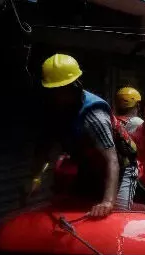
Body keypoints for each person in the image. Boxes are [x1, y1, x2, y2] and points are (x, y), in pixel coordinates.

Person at [39, 54, 138, 217]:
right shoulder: (57, 111)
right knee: (76, 207)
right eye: (53, 90)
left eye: (61, 90)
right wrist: (34, 178)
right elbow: (44, 149)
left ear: (74, 86)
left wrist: (108, 201)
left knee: (115, 216)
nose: (56, 95)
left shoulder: (94, 116)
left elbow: (111, 160)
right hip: (90, 165)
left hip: (122, 164)